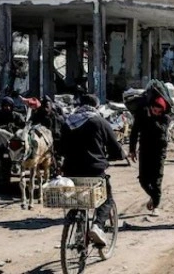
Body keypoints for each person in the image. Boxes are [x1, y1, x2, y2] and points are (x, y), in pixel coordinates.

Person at [61, 94, 124, 247]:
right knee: (106, 198)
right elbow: (115, 147)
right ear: (96, 106)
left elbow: (59, 147)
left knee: (77, 201)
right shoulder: (100, 122)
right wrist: (118, 155)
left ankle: (79, 234)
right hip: (94, 170)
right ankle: (98, 226)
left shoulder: (68, 122)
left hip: (70, 171)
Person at [128, 95, 170, 216]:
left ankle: (156, 205)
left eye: (159, 111)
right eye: (154, 110)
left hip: (159, 152)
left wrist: (151, 118)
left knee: (157, 179)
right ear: (150, 107)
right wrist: (132, 150)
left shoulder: (165, 118)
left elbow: (160, 130)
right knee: (143, 180)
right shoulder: (141, 115)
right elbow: (134, 132)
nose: (156, 113)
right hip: (145, 151)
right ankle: (154, 196)